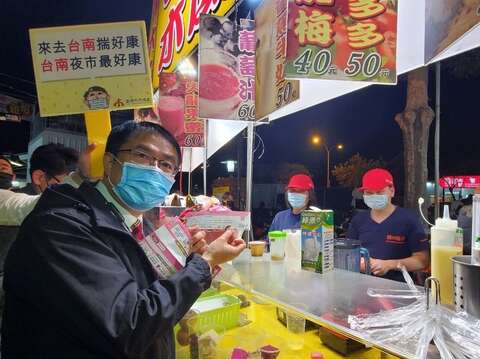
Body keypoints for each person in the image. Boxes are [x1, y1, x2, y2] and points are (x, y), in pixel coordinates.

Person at [2, 121, 246, 359]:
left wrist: (186, 261)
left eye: (167, 165)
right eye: (143, 156)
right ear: (110, 162)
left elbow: (136, 288)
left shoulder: (129, 223)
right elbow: (130, 324)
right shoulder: (62, 226)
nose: (155, 170)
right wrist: (203, 263)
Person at [347, 168, 430, 282]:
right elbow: (348, 254)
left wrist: (389, 264)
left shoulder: (408, 219)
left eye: (379, 192)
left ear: (392, 191)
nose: (374, 196)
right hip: (362, 286)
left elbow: (422, 261)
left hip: (398, 287)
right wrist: (358, 262)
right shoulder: (358, 220)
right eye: (369, 193)